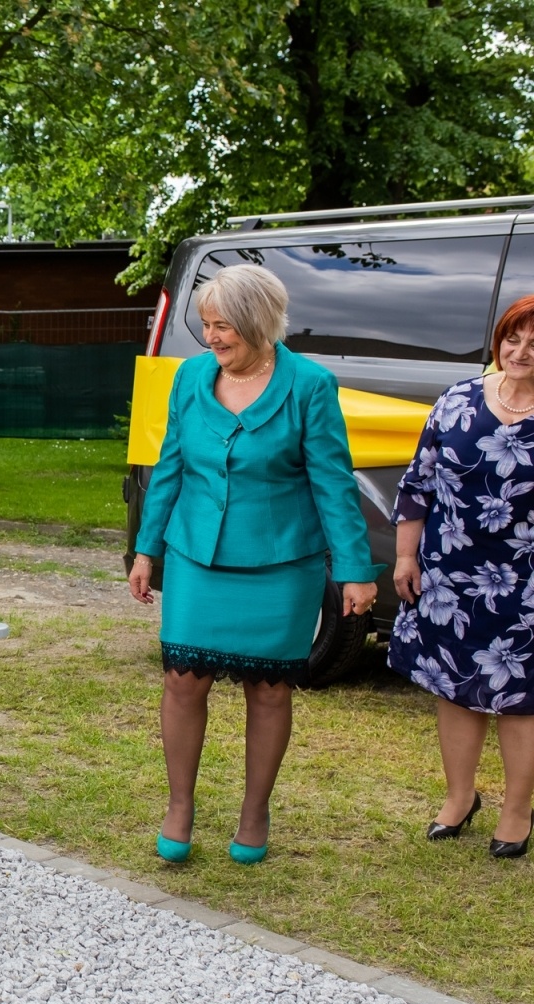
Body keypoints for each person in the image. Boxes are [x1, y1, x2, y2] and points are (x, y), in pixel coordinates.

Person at [127, 263, 380, 865]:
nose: (213, 338)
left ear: (259, 323)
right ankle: (180, 805)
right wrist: (147, 549)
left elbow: (333, 483)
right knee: (182, 681)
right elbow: (170, 468)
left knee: (269, 691)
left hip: (280, 563)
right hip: (196, 557)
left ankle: (254, 810)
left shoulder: (310, 386)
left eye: (225, 327)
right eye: (208, 325)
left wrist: (355, 568)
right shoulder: (189, 377)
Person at [388, 295, 534, 859]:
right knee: (455, 691)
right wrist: (406, 558)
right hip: (451, 573)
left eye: (533, 345)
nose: (520, 352)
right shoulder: (458, 400)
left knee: (521, 702)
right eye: (511, 339)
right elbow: (417, 484)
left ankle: (518, 811)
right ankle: (459, 797)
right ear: (498, 341)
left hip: (524, 581)